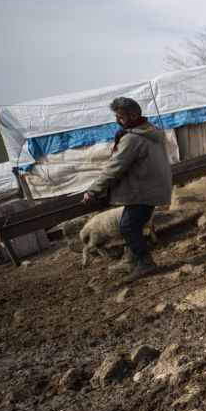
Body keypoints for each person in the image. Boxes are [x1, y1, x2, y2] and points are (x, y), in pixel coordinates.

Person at [81, 97, 172, 283]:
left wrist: (93, 191)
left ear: (134, 115)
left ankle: (146, 264)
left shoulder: (132, 138)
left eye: (120, 117)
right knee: (131, 224)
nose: (117, 121)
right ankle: (130, 259)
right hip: (153, 185)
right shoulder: (151, 130)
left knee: (128, 227)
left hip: (143, 189)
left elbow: (115, 166)